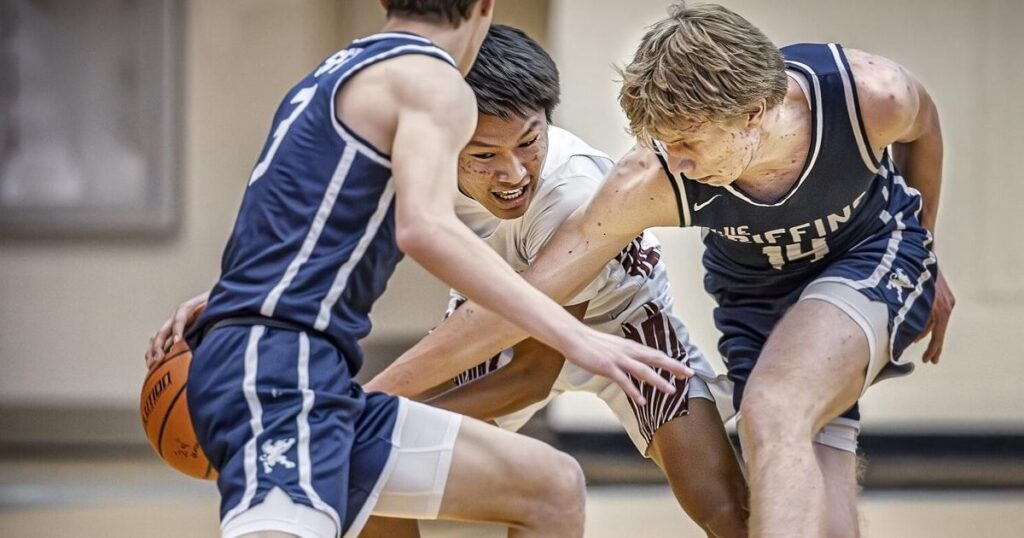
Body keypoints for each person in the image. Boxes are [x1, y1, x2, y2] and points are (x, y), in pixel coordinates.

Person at [367, 2, 954, 537]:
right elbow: (518, 307)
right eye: (660, 142)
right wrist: (368, 401)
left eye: (687, 142)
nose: (673, 161)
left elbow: (534, 367)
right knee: (381, 460)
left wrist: (924, 255)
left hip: (652, 317)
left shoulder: (869, 95)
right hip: (713, 293)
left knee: (746, 457)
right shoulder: (653, 174)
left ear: (753, 115)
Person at [143, 2, 691, 537]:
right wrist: (574, 334)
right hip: (283, 372)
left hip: (291, 363)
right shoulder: (435, 82)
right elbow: (423, 229)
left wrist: (233, 294)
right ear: (483, 7)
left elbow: (288, 211)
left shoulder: (334, 77)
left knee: (551, 487)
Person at [356, 24, 747, 537]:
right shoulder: (412, 165)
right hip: (501, 313)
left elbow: (532, 375)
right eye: (484, 156)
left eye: (528, 141)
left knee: (722, 506)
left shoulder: (572, 189)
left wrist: (375, 413)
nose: (514, 173)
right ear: (443, 140)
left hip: (620, 321)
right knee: (376, 467)